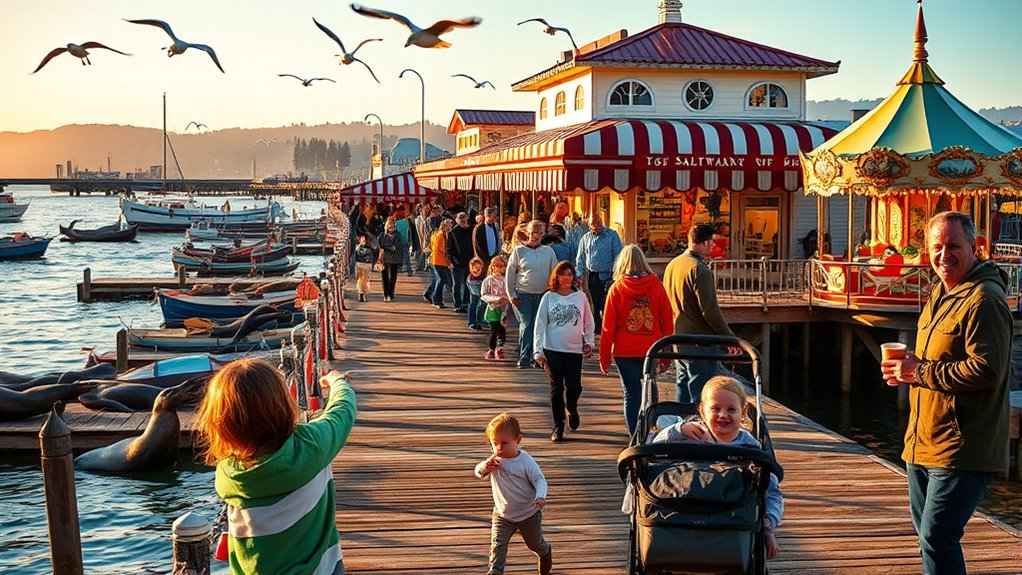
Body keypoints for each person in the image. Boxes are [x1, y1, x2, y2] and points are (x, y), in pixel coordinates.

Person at [880, 211, 1010, 575]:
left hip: (961, 444)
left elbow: (988, 369)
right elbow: (936, 360)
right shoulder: (941, 291)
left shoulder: (984, 299)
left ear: (975, 246)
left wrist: (919, 371)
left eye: (954, 246)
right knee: (927, 536)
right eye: (936, 247)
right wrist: (907, 368)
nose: (943, 255)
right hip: (922, 439)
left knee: (939, 537)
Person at [195, 360, 356, 575]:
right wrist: (337, 381)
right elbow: (342, 411)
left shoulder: (228, 475)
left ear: (222, 425)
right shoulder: (311, 446)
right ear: (283, 404)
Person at [653, 375, 782, 560]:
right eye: (715, 409)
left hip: (732, 519)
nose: (723, 415)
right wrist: (678, 429)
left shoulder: (751, 448)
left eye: (731, 409)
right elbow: (654, 447)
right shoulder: (691, 436)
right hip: (686, 513)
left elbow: (772, 491)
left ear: (743, 412)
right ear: (702, 412)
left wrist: (768, 526)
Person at [599, 245, 675, 435]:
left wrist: (604, 357)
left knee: (631, 394)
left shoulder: (616, 289)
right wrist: (667, 354)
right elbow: (667, 321)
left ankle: (635, 434)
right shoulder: (656, 286)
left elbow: (608, 327)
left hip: (624, 351)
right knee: (650, 387)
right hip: (651, 349)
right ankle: (650, 427)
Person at [663, 224, 735, 403]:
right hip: (699, 342)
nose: (713, 245)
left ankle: (682, 425)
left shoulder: (673, 265)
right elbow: (710, 310)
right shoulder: (700, 271)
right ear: (704, 242)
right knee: (701, 391)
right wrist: (730, 337)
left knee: (682, 384)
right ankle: (698, 427)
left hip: (677, 337)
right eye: (712, 241)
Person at [474, 413, 552, 575]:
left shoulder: (525, 461)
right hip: (503, 514)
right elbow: (478, 472)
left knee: (534, 543)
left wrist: (540, 496)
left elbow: (540, 480)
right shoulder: (494, 461)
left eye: (504, 443)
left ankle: (544, 551)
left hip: (528, 513)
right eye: (495, 444)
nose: (499, 448)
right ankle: (495, 570)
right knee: (498, 544)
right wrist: (485, 468)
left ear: (517, 441)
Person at [534, 261, 595, 442]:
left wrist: (589, 342)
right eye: (563, 274)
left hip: (574, 350)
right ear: (557, 277)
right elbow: (540, 325)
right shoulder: (549, 298)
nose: (567, 278)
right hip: (552, 348)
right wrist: (537, 351)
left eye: (570, 274)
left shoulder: (580, 297)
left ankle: (572, 408)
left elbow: (589, 322)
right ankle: (558, 426)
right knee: (556, 388)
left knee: (574, 386)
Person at [506, 220, 559, 369]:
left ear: (543, 234)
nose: (535, 235)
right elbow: (510, 274)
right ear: (527, 233)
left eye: (539, 232)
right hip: (523, 294)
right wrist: (511, 295)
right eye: (532, 232)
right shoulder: (518, 251)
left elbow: (555, 273)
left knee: (540, 326)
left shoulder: (549, 252)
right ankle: (524, 356)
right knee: (527, 324)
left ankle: (538, 358)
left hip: (543, 295)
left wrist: (555, 293)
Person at [575, 212, 623, 327]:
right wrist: (578, 275)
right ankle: (598, 330)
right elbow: (580, 259)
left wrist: (615, 276)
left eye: (599, 221)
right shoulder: (585, 238)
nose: (597, 224)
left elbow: (619, 256)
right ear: (589, 225)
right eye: (593, 223)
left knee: (607, 305)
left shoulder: (612, 235)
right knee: (595, 305)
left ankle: (609, 327)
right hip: (593, 276)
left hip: (609, 276)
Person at [480, 256, 510, 361]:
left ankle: (500, 347)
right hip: (492, 308)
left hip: (503, 308)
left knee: (502, 329)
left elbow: (509, 293)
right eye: (498, 266)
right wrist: (494, 299)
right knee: (493, 329)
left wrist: (505, 299)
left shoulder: (505, 280)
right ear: (493, 266)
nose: (500, 268)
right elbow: (483, 294)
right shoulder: (488, 280)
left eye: (503, 266)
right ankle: (491, 349)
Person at [446, 212, 475, 313]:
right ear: (457, 220)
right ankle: (458, 303)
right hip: (456, 261)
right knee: (457, 284)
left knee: (466, 283)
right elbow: (449, 248)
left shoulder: (471, 230)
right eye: (461, 219)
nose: (463, 221)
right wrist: (449, 260)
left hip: (468, 261)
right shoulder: (453, 232)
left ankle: (465, 303)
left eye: (464, 219)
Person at [427, 219, 454, 309]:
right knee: (441, 279)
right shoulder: (441, 236)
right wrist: (448, 261)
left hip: (436, 259)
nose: (450, 227)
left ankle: (428, 293)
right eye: (449, 225)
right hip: (440, 260)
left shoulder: (435, 234)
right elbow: (442, 250)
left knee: (438, 279)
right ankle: (437, 300)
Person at [377, 217, 403, 302]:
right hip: (384, 258)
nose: (391, 228)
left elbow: (397, 247)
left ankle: (391, 293)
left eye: (392, 226)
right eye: (389, 226)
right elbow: (381, 244)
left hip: (394, 258)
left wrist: (389, 247)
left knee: (393, 277)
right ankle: (386, 294)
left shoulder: (397, 235)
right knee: (384, 277)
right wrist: (390, 247)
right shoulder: (382, 235)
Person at [473, 207, 503, 272]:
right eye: (493, 216)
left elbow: (498, 239)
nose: (495, 218)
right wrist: (485, 258)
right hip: (485, 259)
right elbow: (478, 245)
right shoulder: (480, 229)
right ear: (488, 216)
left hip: (494, 257)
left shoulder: (495, 226)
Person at [394, 206, 419, 277]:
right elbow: (409, 232)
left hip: (399, 241)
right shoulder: (407, 222)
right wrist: (410, 241)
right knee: (407, 256)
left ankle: (399, 269)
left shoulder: (397, 223)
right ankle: (409, 270)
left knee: (399, 256)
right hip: (405, 241)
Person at [353, 233, 376, 302]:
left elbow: (355, 256)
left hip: (359, 264)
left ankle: (361, 293)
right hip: (366, 264)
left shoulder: (357, 247)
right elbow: (374, 251)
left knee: (360, 279)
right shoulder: (370, 246)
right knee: (365, 280)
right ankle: (362, 294)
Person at [466, 256, 487, 330]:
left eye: (479, 268)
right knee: (474, 303)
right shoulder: (472, 277)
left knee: (481, 304)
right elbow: (476, 291)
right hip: (473, 285)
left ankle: (479, 321)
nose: (477, 270)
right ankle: (472, 322)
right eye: (475, 268)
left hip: (480, 285)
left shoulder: (483, 275)